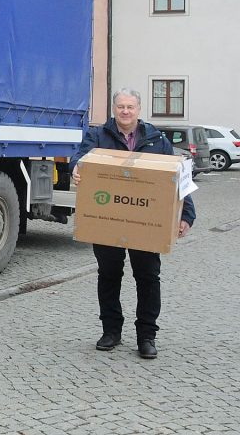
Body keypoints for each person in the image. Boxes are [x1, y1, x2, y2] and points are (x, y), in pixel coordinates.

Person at [70, 88, 195, 360]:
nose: (125, 111)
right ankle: (111, 331)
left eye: (130, 107)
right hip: (108, 220)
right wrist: (76, 168)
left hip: (147, 223)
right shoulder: (98, 135)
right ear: (114, 110)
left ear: (139, 109)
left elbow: (178, 178)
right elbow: (78, 159)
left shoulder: (155, 139)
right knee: (109, 275)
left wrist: (187, 215)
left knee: (148, 277)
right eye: (120, 107)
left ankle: (146, 336)